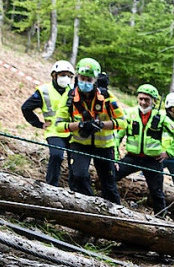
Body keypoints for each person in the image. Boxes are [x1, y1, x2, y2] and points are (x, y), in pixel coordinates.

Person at [54, 57, 126, 204]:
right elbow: (59, 126)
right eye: (82, 78)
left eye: (89, 79)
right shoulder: (69, 97)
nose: (85, 82)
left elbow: (123, 123)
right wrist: (79, 125)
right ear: (77, 78)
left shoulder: (106, 97)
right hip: (80, 144)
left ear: (95, 80)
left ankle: (116, 215)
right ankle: (91, 206)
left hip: (104, 146)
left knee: (109, 184)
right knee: (79, 176)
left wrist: (101, 125)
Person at [114, 84, 168, 214]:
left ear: (153, 101)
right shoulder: (129, 114)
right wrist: (115, 158)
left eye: (147, 100)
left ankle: (161, 220)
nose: (143, 102)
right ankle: (112, 207)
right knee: (111, 176)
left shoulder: (161, 117)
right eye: (141, 99)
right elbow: (117, 137)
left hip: (152, 160)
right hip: (132, 157)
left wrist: (168, 152)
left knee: (157, 192)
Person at [20, 60, 75, 187]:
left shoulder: (74, 91)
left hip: (72, 130)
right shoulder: (44, 91)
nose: (65, 78)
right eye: (62, 75)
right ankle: (51, 186)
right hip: (54, 131)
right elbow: (26, 108)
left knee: (75, 160)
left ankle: (75, 189)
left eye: (68, 75)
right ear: (54, 75)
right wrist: (38, 124)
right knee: (56, 155)